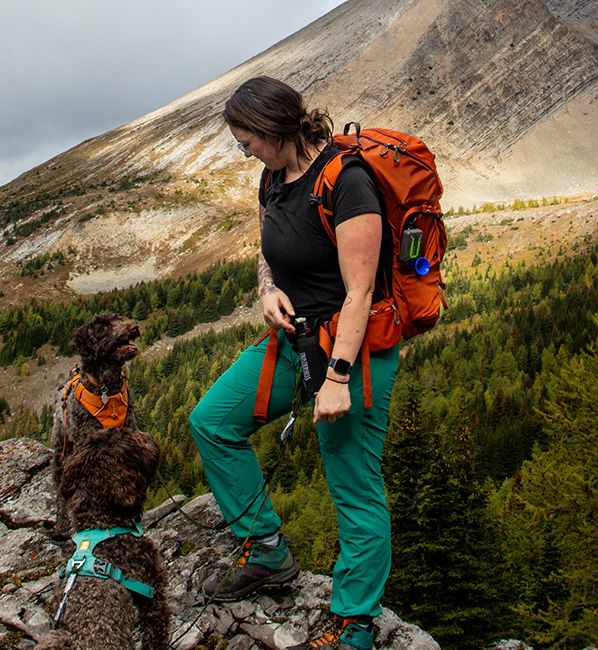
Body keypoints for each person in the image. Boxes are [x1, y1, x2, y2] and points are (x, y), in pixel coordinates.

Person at [189, 76, 399, 650]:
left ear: (275, 128)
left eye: (246, 141)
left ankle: (354, 623)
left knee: (353, 484)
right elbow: (268, 250)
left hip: (353, 349)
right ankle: (267, 552)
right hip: (294, 337)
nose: (245, 152)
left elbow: (360, 294)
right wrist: (265, 291)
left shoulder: (348, 183)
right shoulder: (273, 178)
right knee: (212, 422)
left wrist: (335, 381)